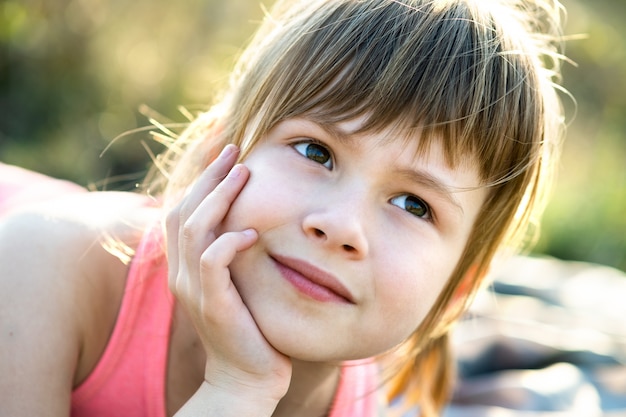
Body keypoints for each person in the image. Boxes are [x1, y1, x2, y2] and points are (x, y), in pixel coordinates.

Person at [0, 0, 568, 415]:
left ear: (458, 291)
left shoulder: (358, 407)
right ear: (211, 156)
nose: (341, 225)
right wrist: (236, 392)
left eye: (413, 204)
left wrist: (242, 384)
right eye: (315, 150)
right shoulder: (42, 265)